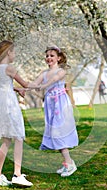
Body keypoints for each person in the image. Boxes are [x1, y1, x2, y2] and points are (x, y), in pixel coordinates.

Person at [0, 40, 33, 187]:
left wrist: (17, 89)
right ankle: (17, 174)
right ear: (9, 52)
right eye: (14, 51)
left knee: (6, 140)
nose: (15, 54)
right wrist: (43, 84)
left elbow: (3, 86)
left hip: (0, 105)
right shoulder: (9, 68)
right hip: (9, 106)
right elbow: (26, 84)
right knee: (18, 137)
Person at [29, 46, 78, 177]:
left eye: (52, 55)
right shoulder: (44, 74)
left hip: (60, 104)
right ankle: (68, 162)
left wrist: (44, 86)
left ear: (58, 58)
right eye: (47, 56)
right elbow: (34, 83)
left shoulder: (61, 71)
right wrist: (22, 88)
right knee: (54, 132)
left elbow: (54, 80)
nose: (49, 58)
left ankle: (70, 164)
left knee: (58, 132)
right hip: (50, 105)